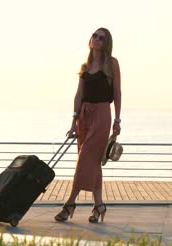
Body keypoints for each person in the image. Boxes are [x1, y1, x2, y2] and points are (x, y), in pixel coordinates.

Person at [54, 27, 121, 223]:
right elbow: (78, 96)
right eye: (95, 36)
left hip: (101, 114)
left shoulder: (112, 64)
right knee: (92, 163)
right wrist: (74, 121)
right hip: (84, 116)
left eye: (102, 37)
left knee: (85, 160)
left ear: (107, 42)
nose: (97, 39)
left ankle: (70, 204)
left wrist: (117, 120)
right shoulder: (85, 66)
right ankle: (99, 206)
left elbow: (117, 92)